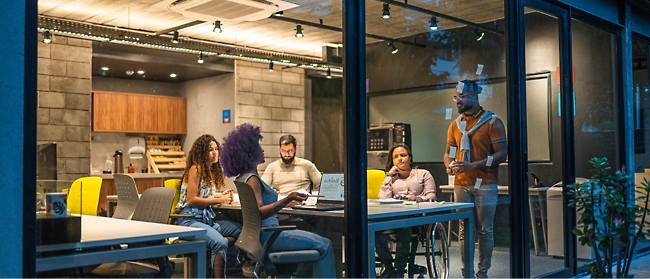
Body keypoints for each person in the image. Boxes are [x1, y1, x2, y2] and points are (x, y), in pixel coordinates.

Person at [220, 123, 336, 278]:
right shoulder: (252, 179)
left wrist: (288, 202)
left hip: (259, 237)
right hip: (271, 236)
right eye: (257, 147)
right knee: (326, 244)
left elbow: (260, 206)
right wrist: (286, 198)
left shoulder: (243, 177)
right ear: (249, 153)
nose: (261, 150)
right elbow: (259, 212)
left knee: (314, 242)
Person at [443, 79, 507, 278]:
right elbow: (449, 153)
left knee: (485, 230)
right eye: (455, 96)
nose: (457, 100)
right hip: (461, 184)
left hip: (485, 183)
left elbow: (502, 154)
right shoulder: (456, 125)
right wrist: (449, 165)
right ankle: (467, 273)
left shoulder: (492, 122)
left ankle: (482, 274)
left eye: (461, 96)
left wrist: (474, 165)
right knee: (464, 230)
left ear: (474, 95)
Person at [175, 134, 242, 279]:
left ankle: (235, 270)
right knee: (220, 244)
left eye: (216, 149)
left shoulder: (208, 170)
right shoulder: (196, 168)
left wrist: (221, 196)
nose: (215, 152)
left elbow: (206, 196)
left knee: (241, 231)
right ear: (201, 152)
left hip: (206, 219)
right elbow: (192, 199)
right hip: (190, 220)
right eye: (210, 150)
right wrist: (219, 200)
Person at [376, 143, 437, 278]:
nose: (400, 159)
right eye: (396, 157)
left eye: (403, 155)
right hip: (394, 217)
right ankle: (388, 266)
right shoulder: (392, 178)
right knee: (374, 230)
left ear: (410, 157)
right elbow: (383, 198)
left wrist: (418, 199)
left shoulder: (423, 174)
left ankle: (399, 270)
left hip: (417, 217)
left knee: (404, 227)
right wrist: (389, 175)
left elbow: (431, 196)